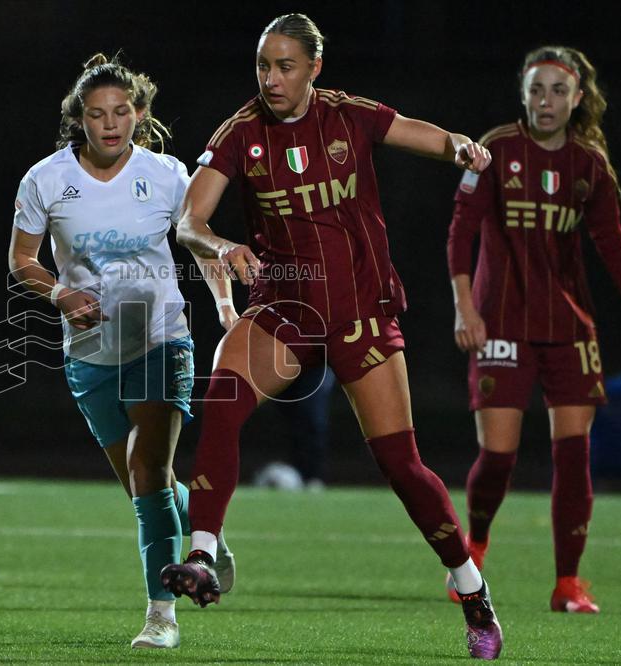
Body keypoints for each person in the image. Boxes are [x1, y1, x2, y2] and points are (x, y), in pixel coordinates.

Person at [158, 14, 503, 660]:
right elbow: (189, 221)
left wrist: (457, 144)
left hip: (360, 313)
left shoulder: (349, 116)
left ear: (315, 68)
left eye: (285, 66)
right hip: (283, 310)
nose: (272, 79)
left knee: (401, 464)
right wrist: (222, 243)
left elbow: (414, 133)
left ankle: (472, 589)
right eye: (263, 65)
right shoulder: (241, 132)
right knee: (222, 399)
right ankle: (202, 554)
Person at [7, 54, 236, 650]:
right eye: (96, 114)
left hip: (161, 337)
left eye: (121, 111)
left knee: (148, 474)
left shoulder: (166, 174)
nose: (110, 124)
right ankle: (206, 538)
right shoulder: (45, 180)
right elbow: (21, 261)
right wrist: (60, 292)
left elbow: (199, 241)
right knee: (142, 488)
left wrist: (226, 308)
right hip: (89, 350)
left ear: (139, 112)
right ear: (78, 120)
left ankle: (162, 617)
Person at [447, 45, 621, 614]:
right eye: (537, 89)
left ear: (577, 98)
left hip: (568, 327)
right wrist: (466, 307)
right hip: (502, 323)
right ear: (523, 93)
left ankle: (568, 584)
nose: (546, 100)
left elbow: (612, 243)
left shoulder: (589, 165)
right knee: (500, 458)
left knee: (573, 454)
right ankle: (476, 545)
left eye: (558, 90)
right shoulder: (494, 150)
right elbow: (460, 231)